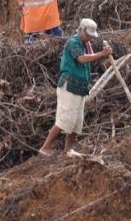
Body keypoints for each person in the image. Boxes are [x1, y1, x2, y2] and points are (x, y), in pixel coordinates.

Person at [39, 18, 113, 155]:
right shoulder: (73, 43)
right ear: (81, 29)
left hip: (80, 88)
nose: (90, 37)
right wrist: (102, 54)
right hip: (69, 86)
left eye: (92, 35)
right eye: (88, 34)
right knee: (64, 119)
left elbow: (89, 57)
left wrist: (103, 54)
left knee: (76, 123)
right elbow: (81, 58)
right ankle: (45, 147)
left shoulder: (85, 44)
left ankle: (68, 150)